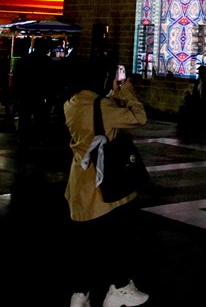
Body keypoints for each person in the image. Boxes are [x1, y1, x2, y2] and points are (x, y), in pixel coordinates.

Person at [63, 61, 150, 307]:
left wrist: (111, 96)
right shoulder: (103, 106)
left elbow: (95, 117)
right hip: (104, 184)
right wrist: (125, 92)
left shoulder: (72, 103)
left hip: (79, 181)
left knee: (84, 243)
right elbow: (139, 117)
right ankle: (119, 288)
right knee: (117, 237)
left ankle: (80, 294)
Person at [178, 64, 206, 134]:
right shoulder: (198, 81)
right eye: (199, 72)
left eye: (200, 72)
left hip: (204, 102)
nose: (199, 73)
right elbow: (195, 92)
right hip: (198, 102)